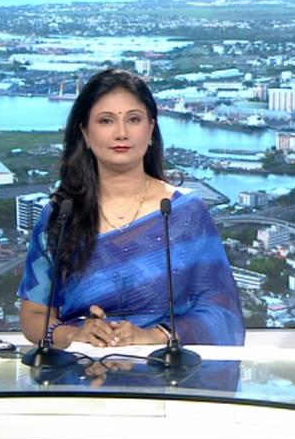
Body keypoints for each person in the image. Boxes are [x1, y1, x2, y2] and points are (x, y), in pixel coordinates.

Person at [18, 68, 245, 349]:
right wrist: (75, 335)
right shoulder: (61, 215)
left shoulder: (183, 213)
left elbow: (221, 311)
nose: (121, 133)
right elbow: (33, 315)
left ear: (150, 130)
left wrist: (153, 336)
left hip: (164, 369)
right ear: (85, 133)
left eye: (134, 119)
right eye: (106, 121)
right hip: (80, 369)